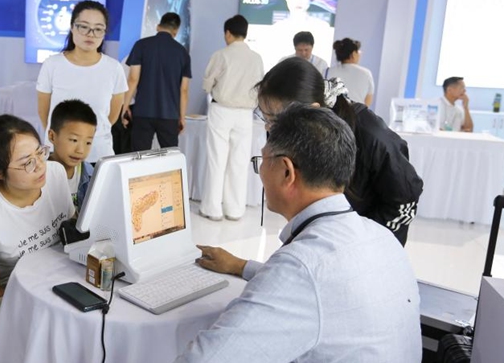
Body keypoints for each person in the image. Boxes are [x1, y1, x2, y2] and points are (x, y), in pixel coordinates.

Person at [175, 104, 421, 363]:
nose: (259, 172)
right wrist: (241, 266)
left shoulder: (302, 266)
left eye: (261, 161)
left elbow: (205, 359)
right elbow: (326, 292)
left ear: (286, 171)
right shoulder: (380, 236)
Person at [256, 57, 423, 245]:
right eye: (265, 117)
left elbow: (404, 196)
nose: (268, 128)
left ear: (312, 109)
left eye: (274, 119)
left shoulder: (369, 134)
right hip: (323, 231)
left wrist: (364, 239)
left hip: (368, 237)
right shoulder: (288, 128)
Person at [0, 115, 75, 361]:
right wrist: (45, 305)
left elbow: (69, 231)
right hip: (8, 288)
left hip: (57, 275)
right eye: (26, 163)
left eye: (40, 153)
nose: (40, 166)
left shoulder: (55, 174)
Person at [37, 0, 127, 163]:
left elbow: (111, 117)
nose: (90, 34)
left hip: (99, 154)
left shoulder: (114, 69)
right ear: (72, 27)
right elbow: (45, 113)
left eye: (98, 29)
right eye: (84, 26)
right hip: (57, 155)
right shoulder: (52, 64)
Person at [200, 15, 264, 221]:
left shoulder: (221, 55)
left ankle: (212, 209)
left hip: (222, 110)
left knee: (216, 159)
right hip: (245, 114)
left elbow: (207, 84)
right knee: (239, 161)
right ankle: (235, 210)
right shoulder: (256, 58)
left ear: (228, 33)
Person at [122, 12, 192, 151]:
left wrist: (125, 106)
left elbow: (133, 79)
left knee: (139, 156)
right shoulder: (182, 52)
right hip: (170, 114)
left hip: (142, 111)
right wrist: (182, 117)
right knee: (170, 157)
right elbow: (183, 90)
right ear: (176, 30)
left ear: (158, 26)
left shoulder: (141, 45)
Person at [47, 99, 97, 209]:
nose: (80, 150)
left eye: (88, 142)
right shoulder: (40, 174)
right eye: (74, 140)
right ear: (52, 136)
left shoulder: (90, 173)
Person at [328, 37, 375, 106]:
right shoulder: (366, 73)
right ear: (353, 54)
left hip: (332, 114)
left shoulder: (327, 71)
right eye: (358, 51)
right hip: (356, 114)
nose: (359, 54)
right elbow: (368, 100)